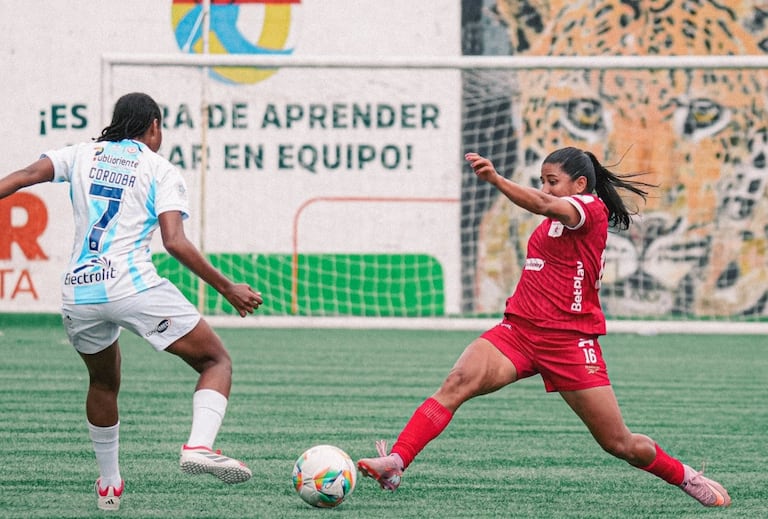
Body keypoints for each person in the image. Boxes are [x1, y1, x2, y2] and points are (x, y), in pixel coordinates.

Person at [357, 148, 731, 508]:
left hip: (569, 343)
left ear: (580, 184)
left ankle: (685, 476)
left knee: (619, 444)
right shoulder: (555, 221)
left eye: (552, 181)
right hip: (518, 333)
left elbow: (542, 204)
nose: (545, 188)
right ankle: (397, 461)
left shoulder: (590, 209)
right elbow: (546, 212)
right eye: (542, 181)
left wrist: (496, 179)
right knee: (457, 382)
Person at [0, 92, 263, 511]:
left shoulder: (82, 155)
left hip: (79, 290)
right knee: (216, 362)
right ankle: (198, 446)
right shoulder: (160, 169)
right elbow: (174, 242)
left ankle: (109, 484)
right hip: (131, 286)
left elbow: (27, 174)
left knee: (103, 382)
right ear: (154, 126)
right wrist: (227, 287)